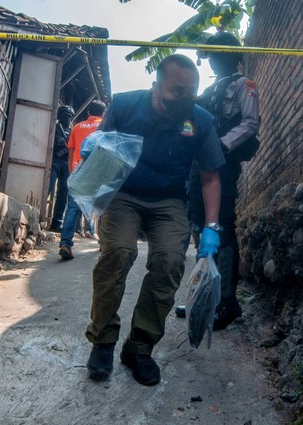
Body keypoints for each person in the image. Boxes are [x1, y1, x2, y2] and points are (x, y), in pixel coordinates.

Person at [85, 54, 225, 386]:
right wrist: (91, 153)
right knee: (118, 253)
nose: (185, 99)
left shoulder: (199, 120)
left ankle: (140, 348)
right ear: (156, 85)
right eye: (178, 91)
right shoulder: (125, 105)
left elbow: (210, 177)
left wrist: (211, 228)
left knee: (171, 260)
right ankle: (103, 340)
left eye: (191, 93)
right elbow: (100, 146)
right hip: (124, 194)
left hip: (168, 200)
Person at [176, 32, 260, 330]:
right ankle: (204, 296)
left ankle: (227, 302)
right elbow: (191, 124)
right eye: (211, 54)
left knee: (221, 228)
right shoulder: (209, 90)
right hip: (198, 167)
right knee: (200, 224)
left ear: (231, 55)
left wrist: (220, 147)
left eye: (218, 53)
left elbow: (249, 123)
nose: (213, 58)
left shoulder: (243, 85)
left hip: (223, 166)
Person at [58, 100, 106, 261]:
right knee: (103, 208)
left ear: (88, 113)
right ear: (103, 114)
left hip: (79, 170)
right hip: (99, 171)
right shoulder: (105, 126)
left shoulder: (77, 127)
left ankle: (65, 244)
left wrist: (72, 173)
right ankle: (104, 243)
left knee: (72, 209)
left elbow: (71, 153)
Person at [47, 105, 74, 232]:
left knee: (63, 194)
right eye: (64, 115)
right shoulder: (55, 127)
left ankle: (57, 222)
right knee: (48, 187)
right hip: (55, 160)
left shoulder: (73, 130)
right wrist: (60, 142)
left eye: (69, 116)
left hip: (67, 163)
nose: (67, 118)